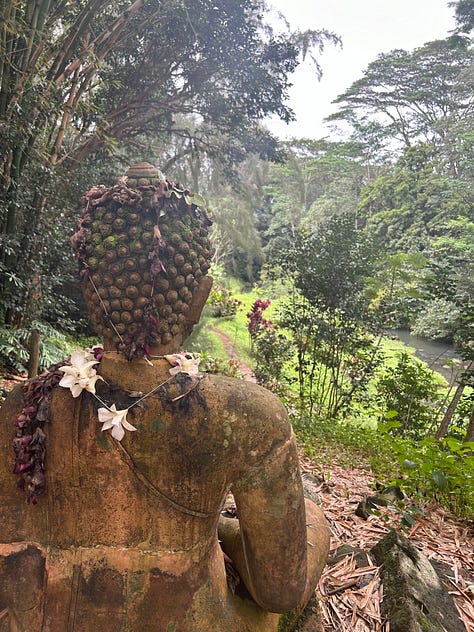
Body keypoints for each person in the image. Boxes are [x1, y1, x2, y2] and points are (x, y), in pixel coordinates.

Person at [0, 164, 329, 631]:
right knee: (314, 521)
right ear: (198, 298)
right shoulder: (249, 416)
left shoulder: (20, 409)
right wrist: (230, 533)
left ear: (90, 294)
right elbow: (280, 590)